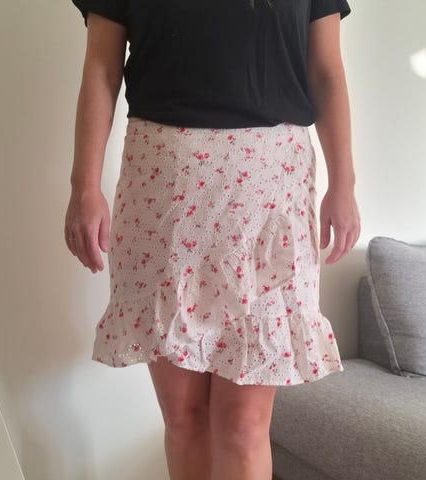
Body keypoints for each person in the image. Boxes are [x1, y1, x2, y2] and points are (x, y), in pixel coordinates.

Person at [65, 1, 360, 479]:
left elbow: (326, 72)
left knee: (243, 425)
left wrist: (344, 184)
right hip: (164, 194)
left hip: (269, 195)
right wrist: (84, 185)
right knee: (184, 418)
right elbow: (101, 67)